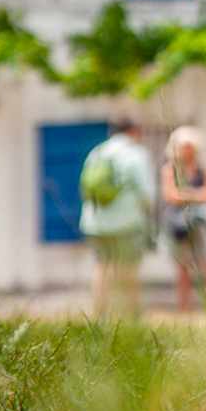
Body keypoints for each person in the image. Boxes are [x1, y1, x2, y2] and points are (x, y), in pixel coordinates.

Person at [79, 116, 155, 317]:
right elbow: (146, 193)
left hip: (95, 222)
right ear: (134, 131)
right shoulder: (135, 154)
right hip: (126, 222)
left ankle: (101, 313)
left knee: (102, 264)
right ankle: (132, 313)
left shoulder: (97, 152)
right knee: (129, 266)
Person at [160, 126, 206, 312]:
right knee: (183, 270)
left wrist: (186, 195)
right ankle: (184, 311)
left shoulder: (203, 170)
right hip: (179, 228)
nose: (187, 151)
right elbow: (170, 196)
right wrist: (197, 195)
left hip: (200, 225)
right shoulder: (170, 170)